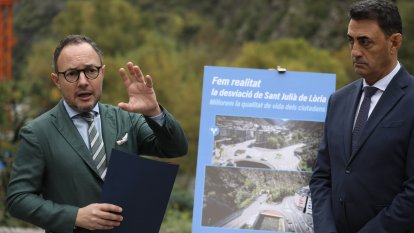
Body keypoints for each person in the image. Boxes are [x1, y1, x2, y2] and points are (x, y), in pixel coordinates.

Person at [6, 34, 188, 233]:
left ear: (102, 73)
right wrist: (75, 216)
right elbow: (18, 199)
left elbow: (175, 147)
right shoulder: (38, 133)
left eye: (91, 71)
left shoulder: (127, 118)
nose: (83, 81)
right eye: (72, 74)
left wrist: (154, 112)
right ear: (56, 80)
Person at [309, 0, 414, 232]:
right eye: (351, 40)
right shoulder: (338, 100)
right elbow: (321, 178)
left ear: (394, 42)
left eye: (365, 41)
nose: (355, 51)